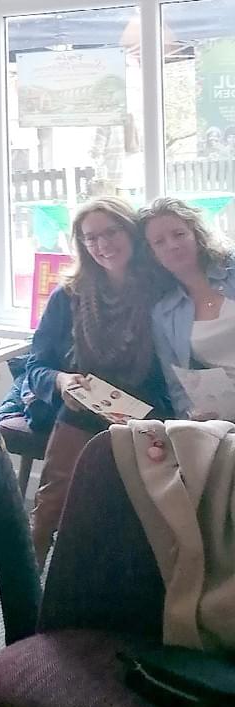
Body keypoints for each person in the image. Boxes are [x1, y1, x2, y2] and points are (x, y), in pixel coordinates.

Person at [26, 197, 170, 568]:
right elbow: (36, 366)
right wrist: (61, 381)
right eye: (91, 238)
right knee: (53, 498)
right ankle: (31, 566)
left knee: (140, 510)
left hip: (147, 411)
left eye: (111, 232)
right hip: (83, 407)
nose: (102, 244)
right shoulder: (68, 296)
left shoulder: (162, 290)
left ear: (131, 232)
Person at [141, 197, 235, 419]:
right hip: (226, 416)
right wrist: (192, 417)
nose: (172, 245)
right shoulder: (163, 313)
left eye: (179, 234)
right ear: (152, 253)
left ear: (196, 234)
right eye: (159, 242)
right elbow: (178, 387)